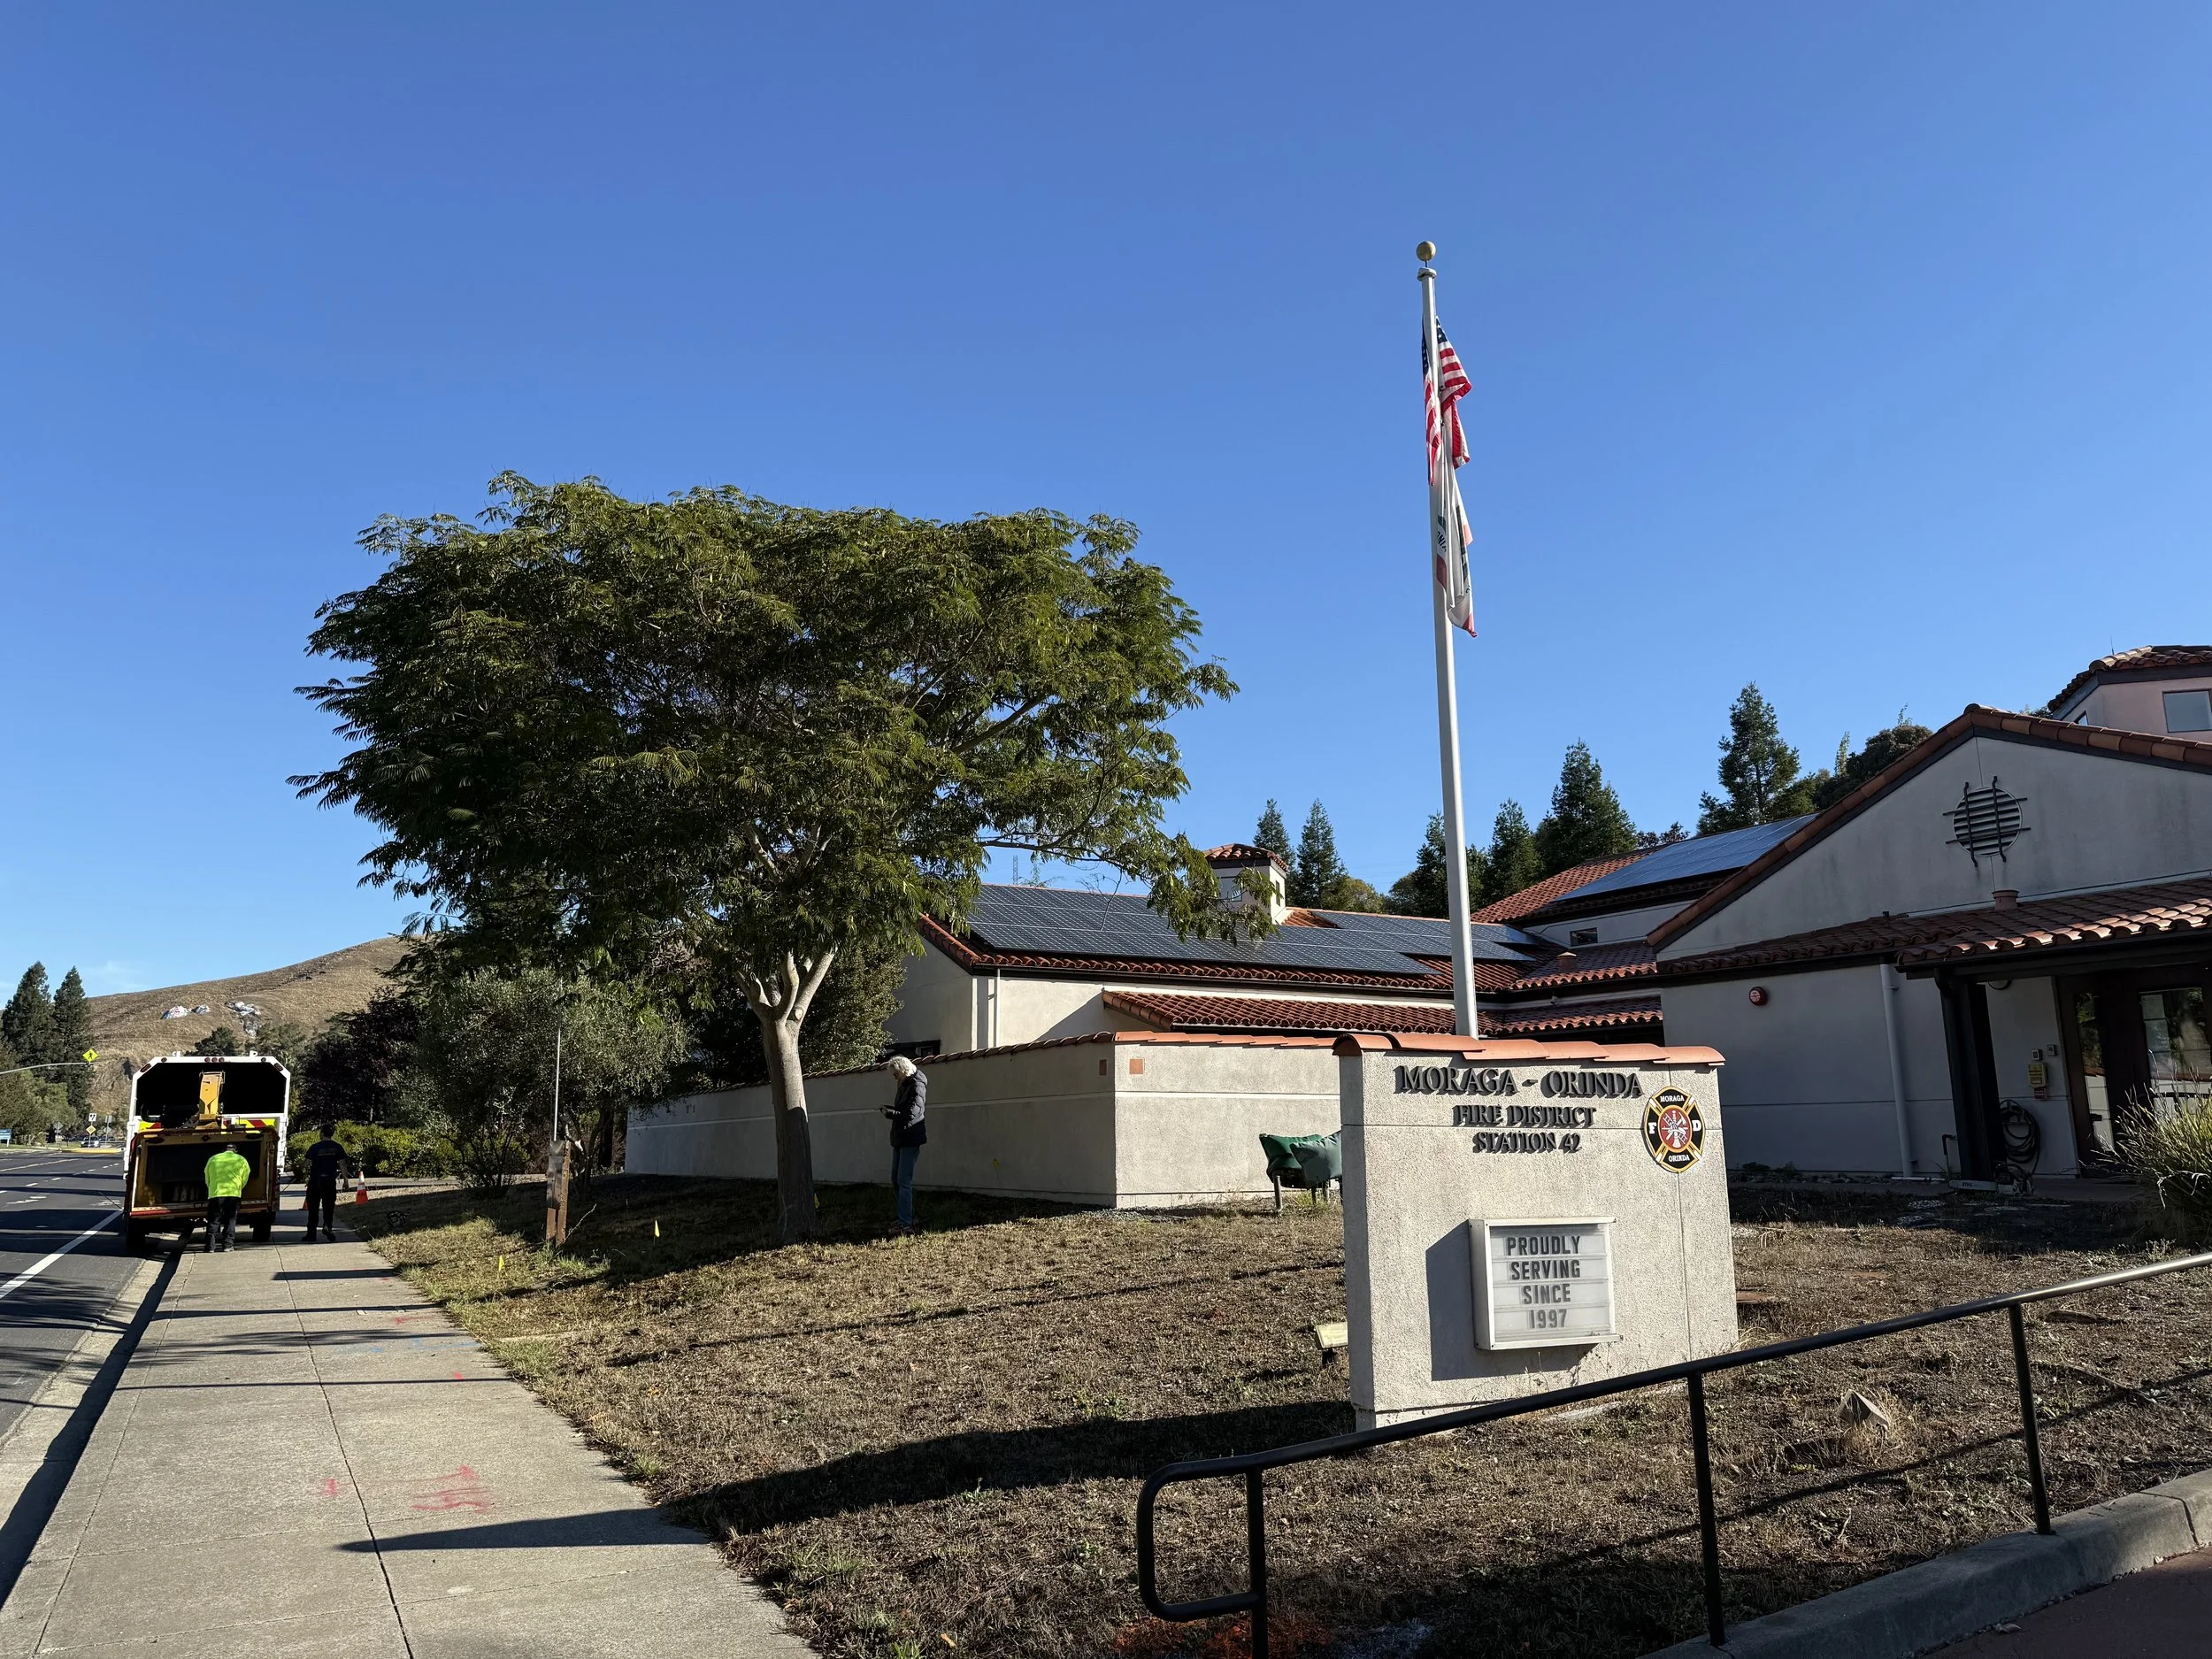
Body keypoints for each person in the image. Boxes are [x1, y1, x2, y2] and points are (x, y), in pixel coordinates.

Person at [882, 1054, 927, 1235]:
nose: (895, 1079)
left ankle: (906, 1224)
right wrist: (890, 1110)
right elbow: (904, 1110)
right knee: (896, 1179)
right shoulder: (906, 1083)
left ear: (904, 1070)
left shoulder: (916, 1085)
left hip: (910, 1138)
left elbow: (911, 1115)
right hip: (901, 1137)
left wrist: (890, 1114)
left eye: (896, 1075)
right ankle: (906, 1216)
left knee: (903, 1181)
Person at [302, 1126, 349, 1242]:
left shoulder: (315, 1147)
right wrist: (345, 1180)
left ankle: (311, 1234)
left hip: (316, 1181)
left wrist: (304, 1173)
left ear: (322, 1134)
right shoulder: (337, 1147)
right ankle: (327, 1226)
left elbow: (306, 1164)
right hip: (330, 1181)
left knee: (313, 1208)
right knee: (328, 1207)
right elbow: (342, 1164)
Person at [202, 1142, 251, 1252]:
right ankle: (228, 1245)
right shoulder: (241, 1160)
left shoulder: (213, 1159)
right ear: (235, 1151)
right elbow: (245, 1178)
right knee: (231, 1220)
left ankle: (210, 1246)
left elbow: (207, 1176)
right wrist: (239, 1187)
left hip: (216, 1193)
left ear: (223, 1150)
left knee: (214, 1220)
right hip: (234, 1194)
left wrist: (211, 1187)